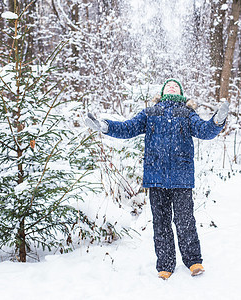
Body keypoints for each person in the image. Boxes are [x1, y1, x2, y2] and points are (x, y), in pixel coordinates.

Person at [85, 78, 229, 280]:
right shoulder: (150, 112)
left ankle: (194, 261)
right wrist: (104, 126)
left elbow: (205, 131)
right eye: (168, 85)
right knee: (161, 223)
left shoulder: (187, 113)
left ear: (181, 92)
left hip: (181, 177)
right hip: (156, 176)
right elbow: (128, 128)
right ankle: (165, 265)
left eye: (176, 85)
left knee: (185, 221)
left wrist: (217, 120)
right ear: (161, 92)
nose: (172, 86)